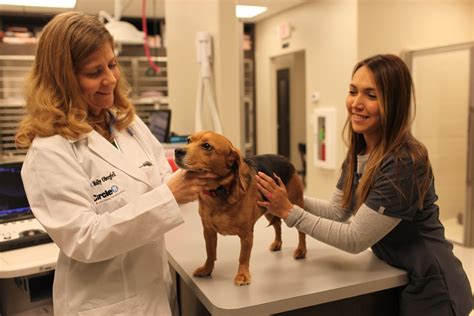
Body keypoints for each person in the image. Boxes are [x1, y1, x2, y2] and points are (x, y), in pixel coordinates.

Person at [15, 12, 215, 316]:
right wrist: (169, 196)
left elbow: (164, 181)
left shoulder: (128, 125)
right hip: (103, 304)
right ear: (63, 79)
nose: (110, 78)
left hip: (155, 291)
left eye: (112, 64)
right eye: (94, 72)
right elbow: (84, 240)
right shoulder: (50, 151)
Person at [256, 54, 472, 315]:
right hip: (395, 272)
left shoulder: (404, 162)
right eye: (352, 91)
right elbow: (338, 211)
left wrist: (289, 212)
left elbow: (355, 238)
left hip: (432, 284)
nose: (356, 104)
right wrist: (285, 197)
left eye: (371, 95)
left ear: (393, 103)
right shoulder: (361, 151)